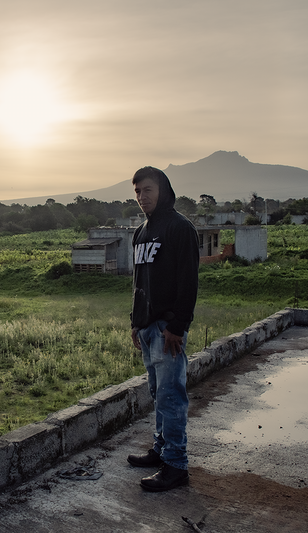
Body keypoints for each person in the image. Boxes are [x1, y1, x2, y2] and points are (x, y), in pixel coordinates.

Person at [127, 166, 199, 492]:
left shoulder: (180, 228)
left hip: (168, 330)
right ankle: (160, 449)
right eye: (137, 191)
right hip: (146, 328)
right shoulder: (140, 232)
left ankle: (175, 465)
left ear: (163, 189)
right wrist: (135, 321)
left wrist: (177, 326)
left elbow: (188, 281)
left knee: (171, 397)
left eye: (148, 190)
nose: (142, 197)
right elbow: (139, 282)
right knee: (158, 394)